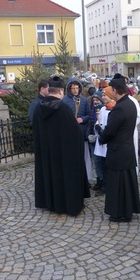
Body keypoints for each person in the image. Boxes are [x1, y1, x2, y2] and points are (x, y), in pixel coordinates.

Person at [32, 76, 90, 216]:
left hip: (46, 153)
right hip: (63, 155)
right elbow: (74, 133)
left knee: (49, 174)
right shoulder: (63, 109)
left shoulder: (38, 108)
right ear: (61, 92)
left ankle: (49, 202)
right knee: (64, 177)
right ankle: (66, 204)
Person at [97, 74, 140, 223]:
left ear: (115, 90)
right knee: (127, 184)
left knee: (117, 185)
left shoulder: (119, 108)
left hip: (118, 152)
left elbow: (110, 131)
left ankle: (119, 213)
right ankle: (128, 211)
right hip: (127, 149)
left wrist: (100, 133)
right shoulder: (130, 104)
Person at [63, 77, 92, 181]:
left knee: (85, 157)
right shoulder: (64, 100)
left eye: (76, 88)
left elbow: (89, 115)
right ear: (69, 89)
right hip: (69, 133)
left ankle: (86, 178)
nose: (75, 90)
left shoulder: (83, 100)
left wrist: (82, 119)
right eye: (73, 88)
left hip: (81, 132)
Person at [93, 86, 116, 195]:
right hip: (101, 141)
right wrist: (97, 126)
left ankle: (110, 185)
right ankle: (104, 184)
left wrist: (105, 131)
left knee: (109, 165)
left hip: (109, 141)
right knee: (102, 164)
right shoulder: (102, 109)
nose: (103, 97)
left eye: (104, 95)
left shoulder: (115, 109)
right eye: (102, 95)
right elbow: (99, 121)